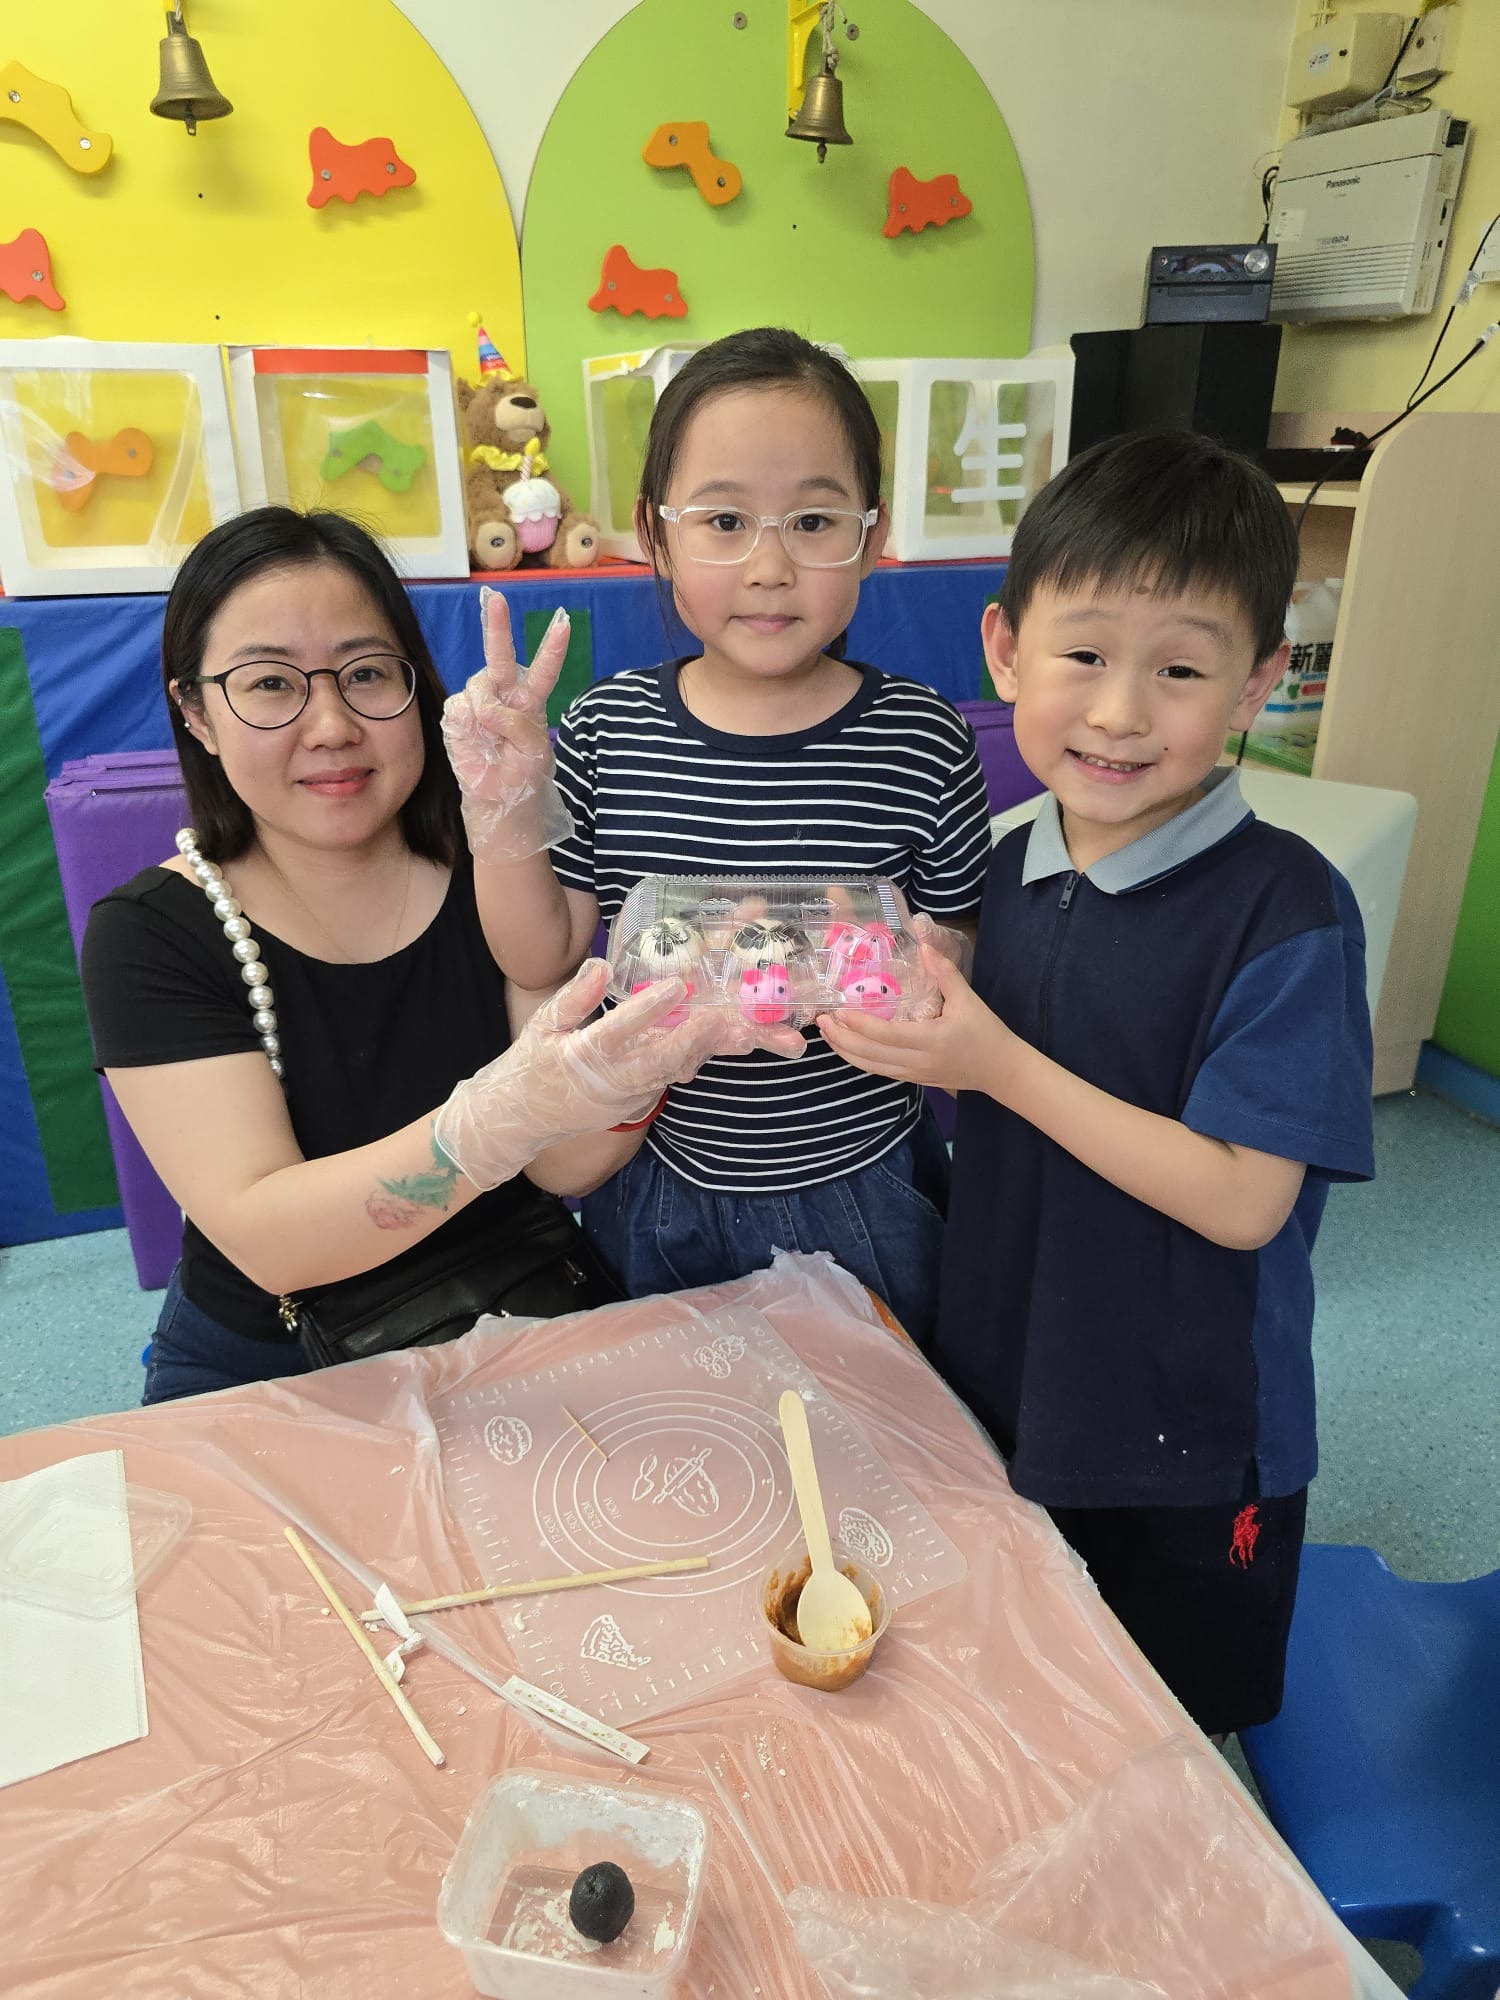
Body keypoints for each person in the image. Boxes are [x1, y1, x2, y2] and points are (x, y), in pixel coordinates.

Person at [819, 429, 1376, 1739]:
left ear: (1257, 681)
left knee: (1175, 1723)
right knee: (1031, 1687)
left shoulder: (1287, 909)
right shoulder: (1001, 864)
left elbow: (1243, 1199)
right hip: (1013, 1374)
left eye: (1179, 669)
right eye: (1084, 657)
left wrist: (997, 1065)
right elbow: (956, 1053)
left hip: (1189, 1427)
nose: (1122, 713)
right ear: (1006, 650)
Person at [80, 508, 730, 1403]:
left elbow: (563, 1166)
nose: (331, 725)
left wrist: (652, 1050)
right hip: (275, 1354)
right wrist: (487, 1124)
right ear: (197, 712)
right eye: (269, 684)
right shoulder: (149, 933)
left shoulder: (492, 870)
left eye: (366, 673)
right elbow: (270, 1241)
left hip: (515, 1302)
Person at [438, 328, 994, 1339]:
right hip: (659, 1178)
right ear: (656, 536)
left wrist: (917, 969)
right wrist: (505, 812)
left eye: (814, 520)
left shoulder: (922, 739)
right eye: (725, 520)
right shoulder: (608, 730)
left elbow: (960, 946)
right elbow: (537, 954)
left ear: (871, 537)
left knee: (891, 1414)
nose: (769, 567)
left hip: (865, 1176)